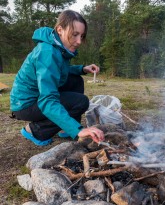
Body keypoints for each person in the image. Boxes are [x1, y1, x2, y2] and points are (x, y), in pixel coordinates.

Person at [10, 10, 105, 146]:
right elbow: (47, 100)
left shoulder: (56, 46)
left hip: (36, 97)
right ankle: (34, 131)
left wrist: (81, 69)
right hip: (25, 105)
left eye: (82, 36)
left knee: (76, 80)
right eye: (74, 34)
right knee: (81, 102)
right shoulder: (47, 52)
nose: (79, 41)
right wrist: (78, 130)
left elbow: (58, 70)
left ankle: (64, 127)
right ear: (60, 29)